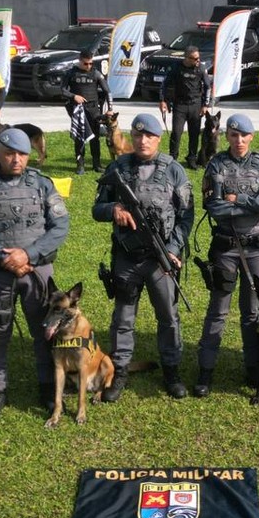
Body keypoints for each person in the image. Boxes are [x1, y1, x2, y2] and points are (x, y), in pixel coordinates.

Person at [0, 127, 69, 421]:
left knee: (44, 330)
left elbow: (60, 226)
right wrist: (2, 257)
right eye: (9, 153)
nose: (16, 160)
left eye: (22, 154)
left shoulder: (42, 184)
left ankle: (48, 388)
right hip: (0, 272)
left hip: (37, 270)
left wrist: (28, 255)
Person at [92, 113, 194, 401]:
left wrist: (173, 249)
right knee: (123, 318)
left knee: (168, 317)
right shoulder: (118, 168)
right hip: (127, 258)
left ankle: (172, 371)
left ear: (158, 139)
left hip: (161, 260)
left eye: (149, 136)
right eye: (137, 135)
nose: (142, 140)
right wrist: (113, 209)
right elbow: (96, 209)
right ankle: (120, 372)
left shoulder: (174, 170)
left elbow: (186, 216)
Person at [194, 113, 259, 397]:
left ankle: (253, 370)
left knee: (252, 311)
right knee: (218, 310)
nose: (239, 140)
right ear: (227, 136)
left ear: (252, 136)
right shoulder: (217, 164)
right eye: (233, 135)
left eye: (244, 135)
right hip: (226, 248)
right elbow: (213, 206)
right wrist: (250, 207)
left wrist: (237, 199)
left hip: (256, 247)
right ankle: (205, 373)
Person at [159, 45, 210, 168]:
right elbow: (164, 85)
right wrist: (163, 101)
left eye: (198, 58)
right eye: (195, 59)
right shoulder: (176, 68)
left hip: (195, 105)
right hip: (180, 105)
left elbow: (208, 87)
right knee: (176, 133)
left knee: (194, 133)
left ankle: (192, 158)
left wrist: (205, 105)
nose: (198, 61)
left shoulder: (201, 69)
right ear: (187, 58)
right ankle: (173, 157)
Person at [62, 47, 111, 174]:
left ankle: (96, 164)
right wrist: (74, 96)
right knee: (79, 138)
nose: (88, 66)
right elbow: (62, 90)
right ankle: (80, 165)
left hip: (94, 109)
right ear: (79, 61)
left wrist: (110, 109)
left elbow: (107, 91)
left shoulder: (96, 73)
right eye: (85, 63)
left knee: (95, 137)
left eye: (91, 63)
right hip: (78, 110)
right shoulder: (71, 73)